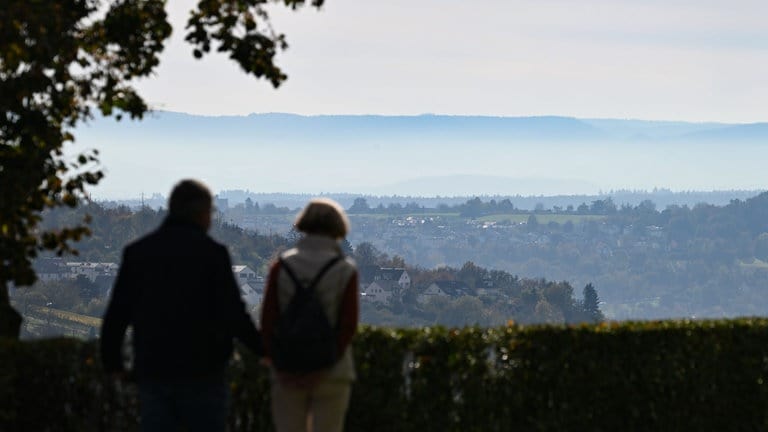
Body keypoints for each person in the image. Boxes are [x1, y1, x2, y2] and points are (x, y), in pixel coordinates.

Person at [101, 179, 262, 432]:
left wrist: (113, 364)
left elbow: (118, 314)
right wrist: (263, 349)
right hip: (204, 371)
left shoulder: (138, 252)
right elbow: (234, 314)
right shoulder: (213, 253)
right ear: (202, 213)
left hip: (154, 369)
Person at [260, 198, 359, 432]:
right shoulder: (344, 270)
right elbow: (348, 326)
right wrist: (325, 366)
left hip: (288, 369)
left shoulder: (281, 267)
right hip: (332, 371)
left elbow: (268, 321)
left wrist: (277, 362)